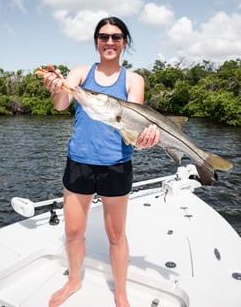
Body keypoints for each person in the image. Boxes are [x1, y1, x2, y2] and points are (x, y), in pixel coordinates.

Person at [42, 16, 159, 307]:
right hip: (79, 161)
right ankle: (74, 280)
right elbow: (61, 104)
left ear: (124, 42)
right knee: (72, 231)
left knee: (116, 235)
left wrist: (146, 140)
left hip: (116, 163)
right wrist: (56, 87)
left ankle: (120, 292)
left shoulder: (134, 80)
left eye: (116, 37)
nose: (109, 42)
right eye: (103, 36)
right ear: (96, 41)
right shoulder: (80, 73)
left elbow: (134, 129)